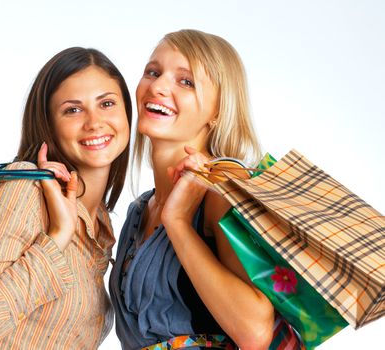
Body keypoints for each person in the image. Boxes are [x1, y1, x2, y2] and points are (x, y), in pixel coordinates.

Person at [110, 30, 302, 350]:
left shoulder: (220, 195)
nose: (157, 87)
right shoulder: (138, 211)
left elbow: (255, 332)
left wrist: (178, 223)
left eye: (186, 82)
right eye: (153, 72)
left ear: (217, 111)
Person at [0, 47, 132, 349]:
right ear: (48, 125)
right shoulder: (24, 192)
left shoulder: (102, 226)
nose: (94, 122)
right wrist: (56, 239)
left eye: (106, 103)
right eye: (73, 109)